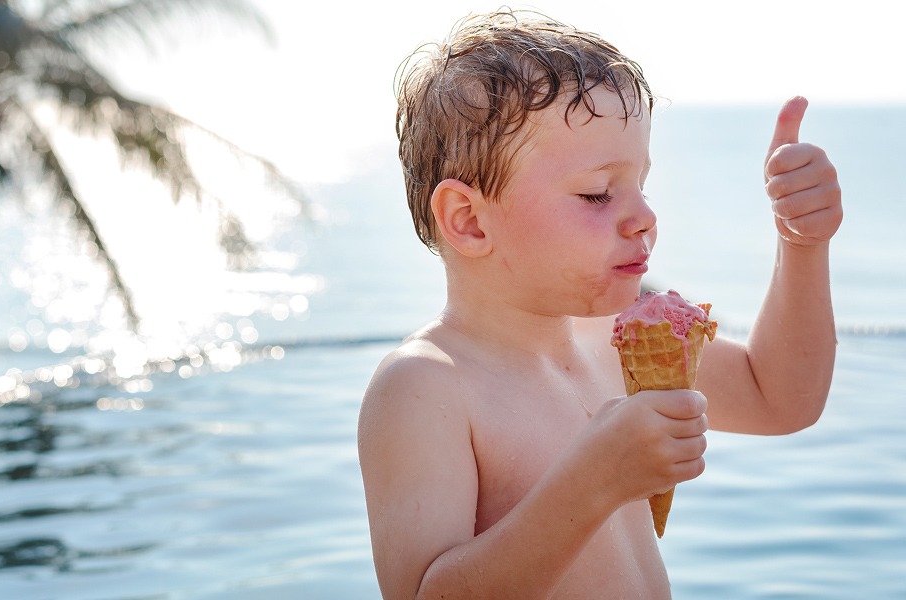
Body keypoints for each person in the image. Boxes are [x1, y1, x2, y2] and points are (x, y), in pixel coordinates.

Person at [357, 10, 842, 599]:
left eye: (642, 183)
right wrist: (592, 483)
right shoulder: (425, 387)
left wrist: (801, 243)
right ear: (469, 221)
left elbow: (781, 398)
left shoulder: (615, 339)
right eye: (596, 193)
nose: (644, 216)